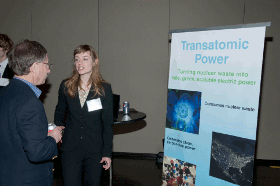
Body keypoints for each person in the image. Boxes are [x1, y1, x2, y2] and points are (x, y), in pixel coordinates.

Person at [0, 39, 64, 186]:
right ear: (35, 67)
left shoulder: (4, 93)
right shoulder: (30, 102)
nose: (48, 69)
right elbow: (37, 153)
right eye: (46, 64)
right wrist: (53, 138)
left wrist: (41, 137)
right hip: (28, 180)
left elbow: (12, 135)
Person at [54, 44, 113, 186]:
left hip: (95, 149)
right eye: (77, 59)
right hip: (70, 148)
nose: (80, 63)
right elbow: (59, 111)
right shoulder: (66, 85)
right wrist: (59, 128)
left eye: (85, 59)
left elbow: (107, 123)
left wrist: (106, 153)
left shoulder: (104, 88)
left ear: (94, 62)